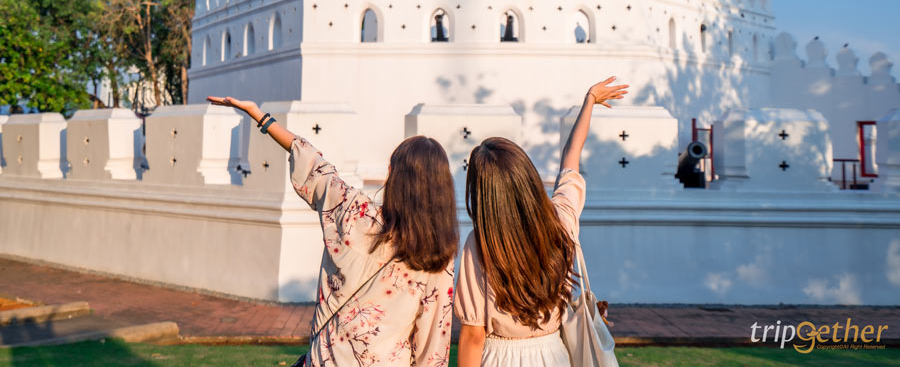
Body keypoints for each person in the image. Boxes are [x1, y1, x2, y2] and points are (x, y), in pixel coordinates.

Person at [207, 96, 458, 367]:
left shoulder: (354, 213)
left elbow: (312, 163)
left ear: (392, 173)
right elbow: (433, 347)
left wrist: (259, 115)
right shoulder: (437, 256)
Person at [454, 77, 629, 367]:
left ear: (482, 193)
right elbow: (571, 158)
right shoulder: (560, 220)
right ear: (528, 178)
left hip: (499, 357)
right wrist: (589, 101)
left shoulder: (482, 242)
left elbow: (474, 335)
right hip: (553, 354)